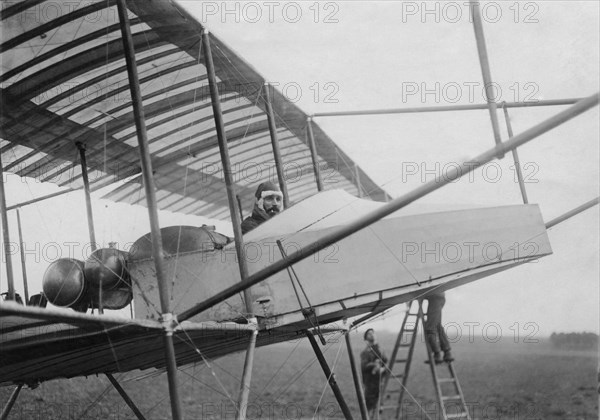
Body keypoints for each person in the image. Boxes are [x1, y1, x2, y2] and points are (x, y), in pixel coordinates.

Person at [360, 328, 387, 417]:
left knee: (378, 408)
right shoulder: (365, 352)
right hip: (370, 383)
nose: (372, 334)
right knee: (369, 407)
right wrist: (373, 365)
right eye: (369, 334)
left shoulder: (381, 349)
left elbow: (386, 363)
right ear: (366, 339)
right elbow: (364, 367)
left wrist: (382, 369)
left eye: (373, 333)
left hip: (380, 382)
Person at [423, 290, 454, 364]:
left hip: (435, 298)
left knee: (430, 329)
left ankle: (437, 355)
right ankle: (447, 353)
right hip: (439, 297)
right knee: (437, 326)